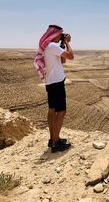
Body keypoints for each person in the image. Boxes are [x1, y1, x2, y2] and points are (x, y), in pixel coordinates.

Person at [34, 25, 74, 153]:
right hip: (57, 83)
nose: (61, 36)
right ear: (54, 34)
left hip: (50, 83)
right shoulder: (52, 46)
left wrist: (62, 43)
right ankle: (56, 143)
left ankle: (53, 139)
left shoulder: (48, 47)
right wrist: (67, 43)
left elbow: (62, 61)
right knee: (61, 112)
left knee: (52, 111)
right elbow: (70, 56)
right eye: (60, 34)